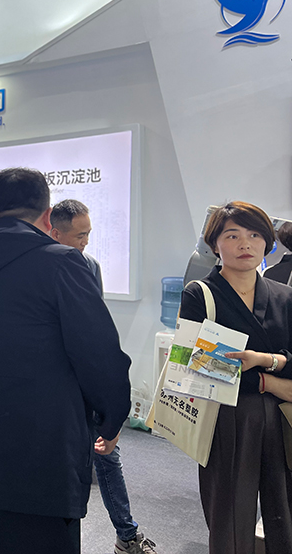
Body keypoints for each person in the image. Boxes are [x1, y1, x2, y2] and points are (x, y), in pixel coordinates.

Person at [0, 168, 132, 554]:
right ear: (47, 215)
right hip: (35, 464)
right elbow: (99, 355)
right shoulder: (63, 263)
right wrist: (112, 418)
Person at [178, 201, 292, 554]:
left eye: (255, 235)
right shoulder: (200, 294)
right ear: (215, 244)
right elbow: (196, 364)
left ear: (267, 243)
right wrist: (271, 381)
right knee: (229, 513)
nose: (245, 244)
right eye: (232, 235)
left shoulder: (285, 296)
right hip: (226, 417)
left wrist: (265, 360)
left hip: (283, 419)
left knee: (285, 511)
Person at [51, 199, 157, 554]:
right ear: (55, 232)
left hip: (86, 382)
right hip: (55, 387)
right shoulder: (43, 268)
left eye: (88, 234)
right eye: (79, 235)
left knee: (107, 456)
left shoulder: (89, 266)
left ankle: (127, 534)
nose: (85, 242)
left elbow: (92, 331)